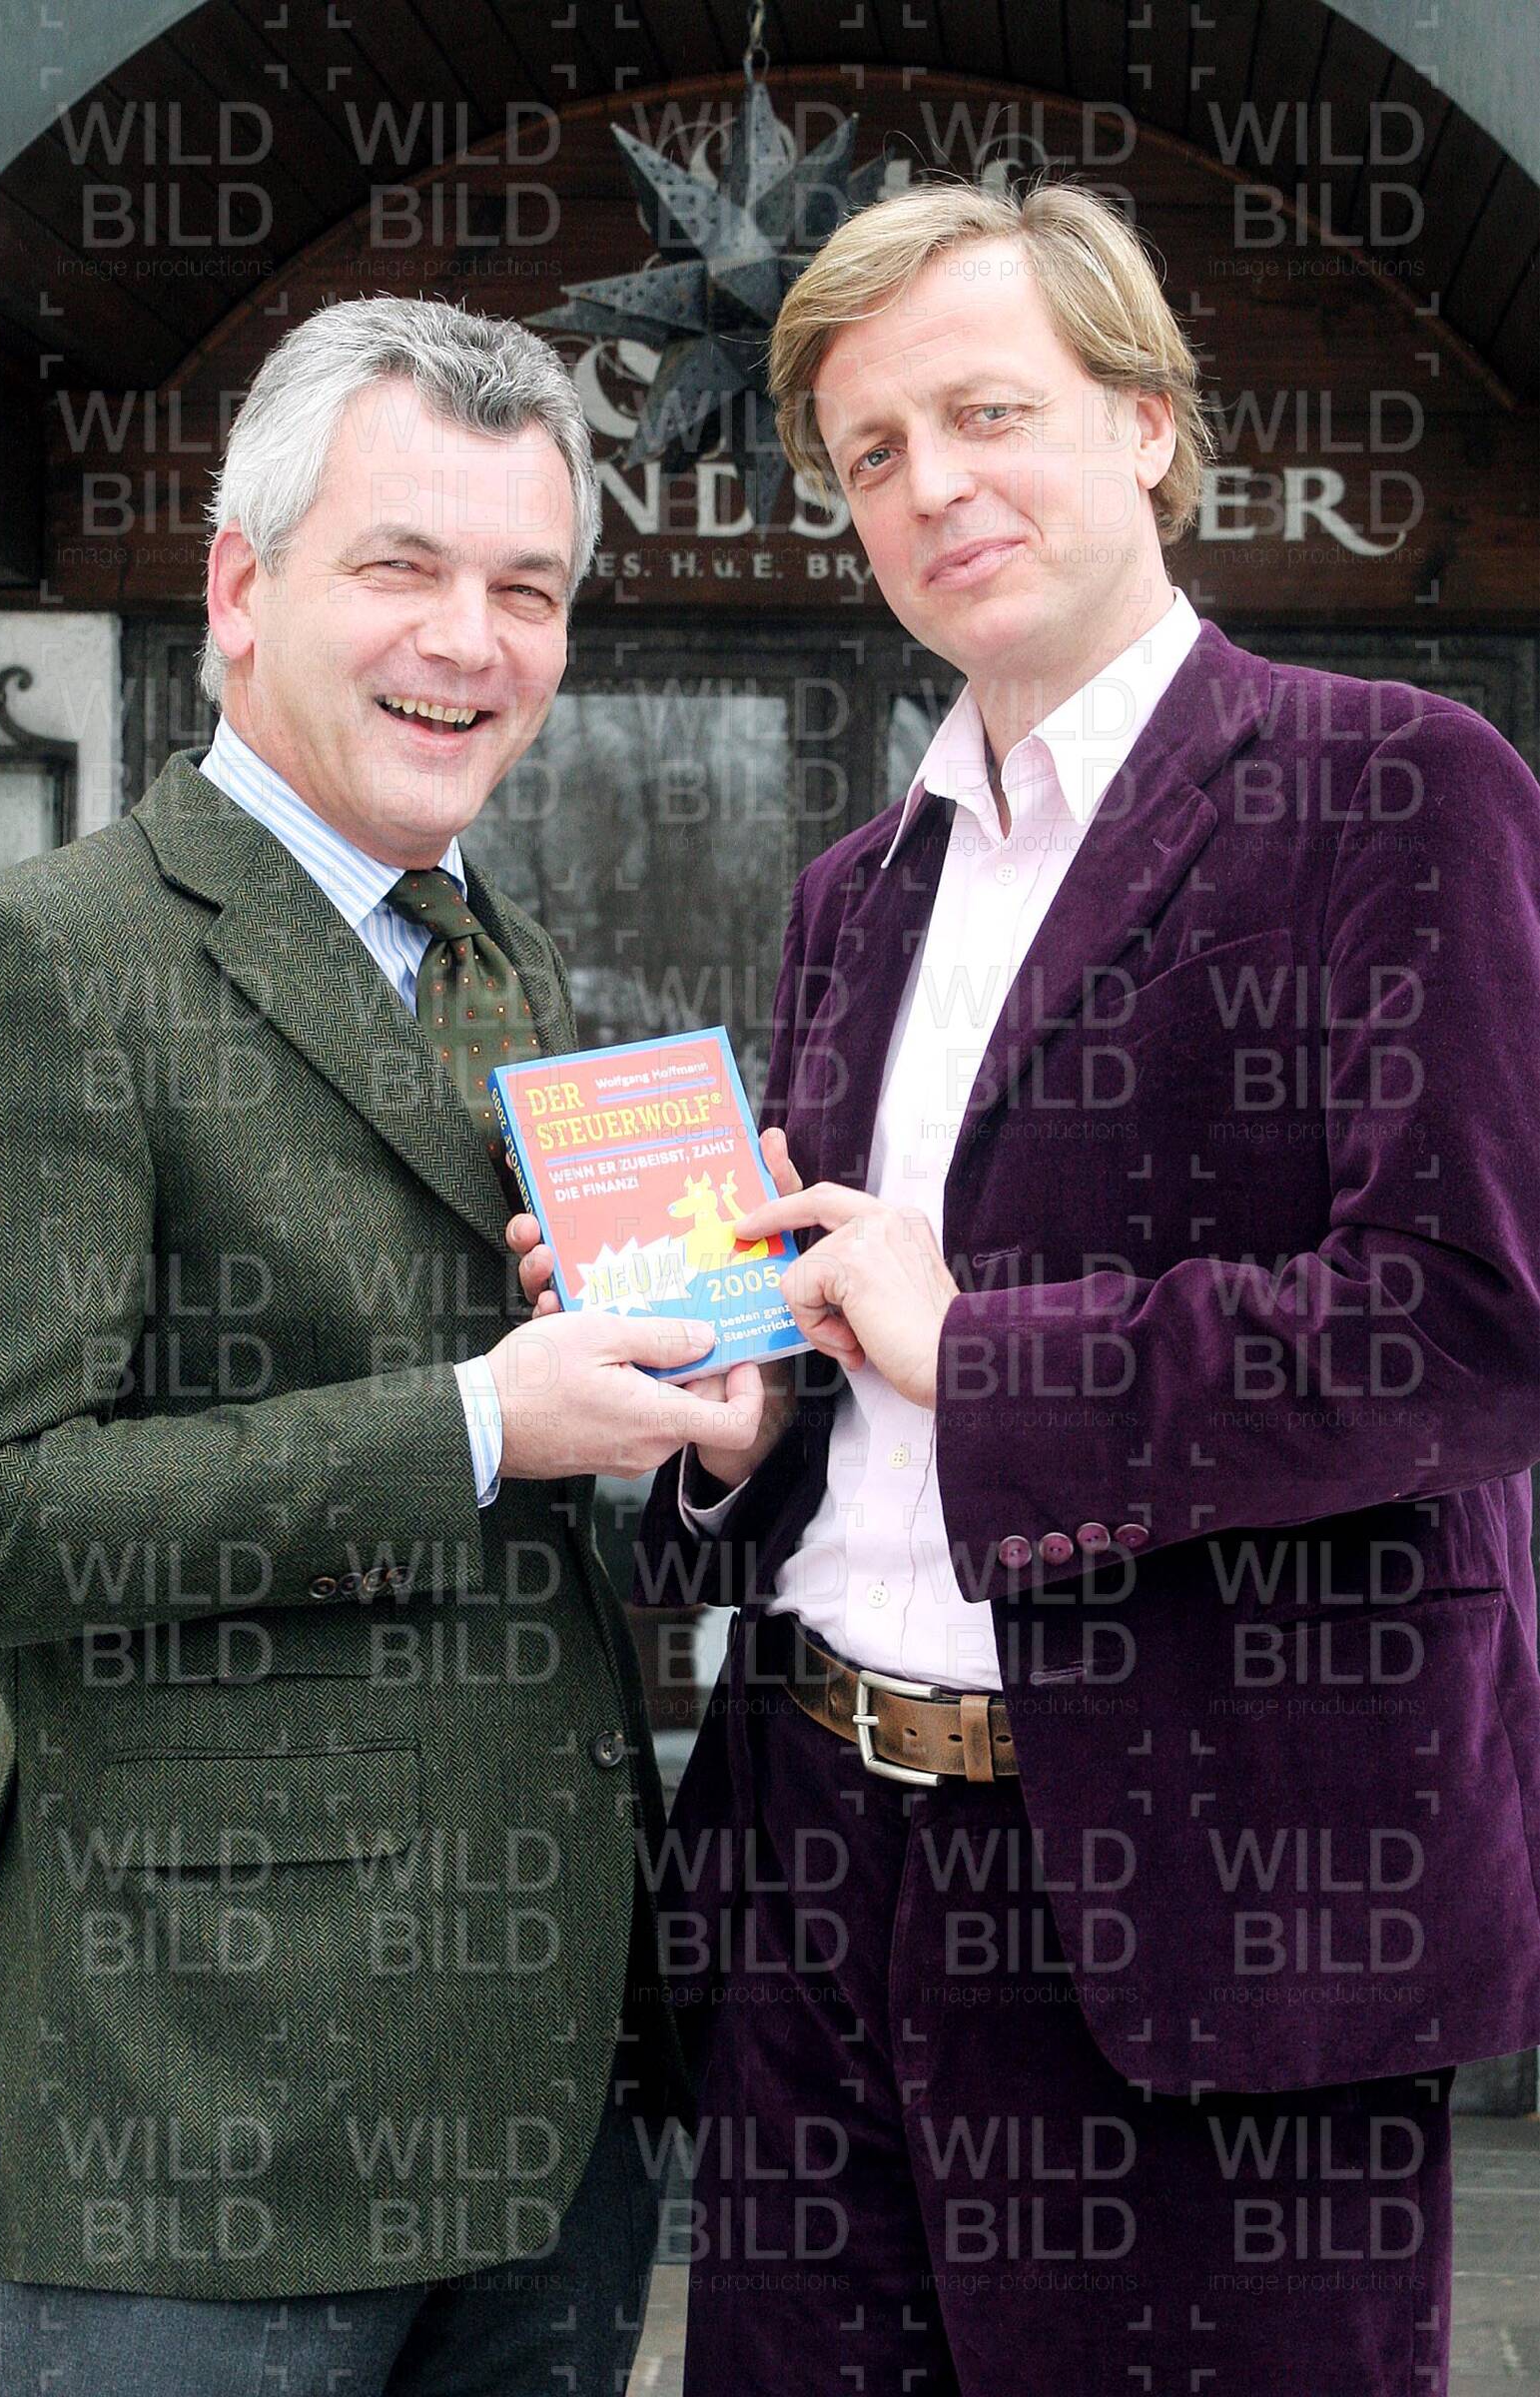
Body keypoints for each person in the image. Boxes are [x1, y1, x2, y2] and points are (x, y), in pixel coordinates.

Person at [514, 180, 1540, 2394]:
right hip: (814, 1869)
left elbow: (1462, 1328)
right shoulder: (851, 891)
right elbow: (851, 1362)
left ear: (1148, 425)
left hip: (1212, 1907)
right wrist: (737, 1413)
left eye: (989, 413)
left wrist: (976, 1349)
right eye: (872, 453)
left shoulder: (1395, 789)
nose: (931, 487)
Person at [0, 296, 765, 2396]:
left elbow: (543, 1476)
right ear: (242, 589)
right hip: (201, 2116)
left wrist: (690, 1422)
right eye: (402, 566)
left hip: (547, 2101)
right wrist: (477, 1421)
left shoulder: (504, 955)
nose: (468, 642)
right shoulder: (49, 959)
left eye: (527, 589)